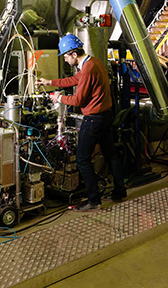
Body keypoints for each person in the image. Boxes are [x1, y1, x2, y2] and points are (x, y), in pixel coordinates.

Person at [39, 33, 127, 211]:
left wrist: (59, 98)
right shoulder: (93, 62)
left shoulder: (87, 69)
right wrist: (50, 82)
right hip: (105, 115)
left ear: (73, 54)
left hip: (94, 119)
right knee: (111, 155)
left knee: (82, 159)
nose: (64, 60)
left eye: (65, 56)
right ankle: (120, 191)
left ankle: (94, 201)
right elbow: (74, 80)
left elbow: (78, 100)